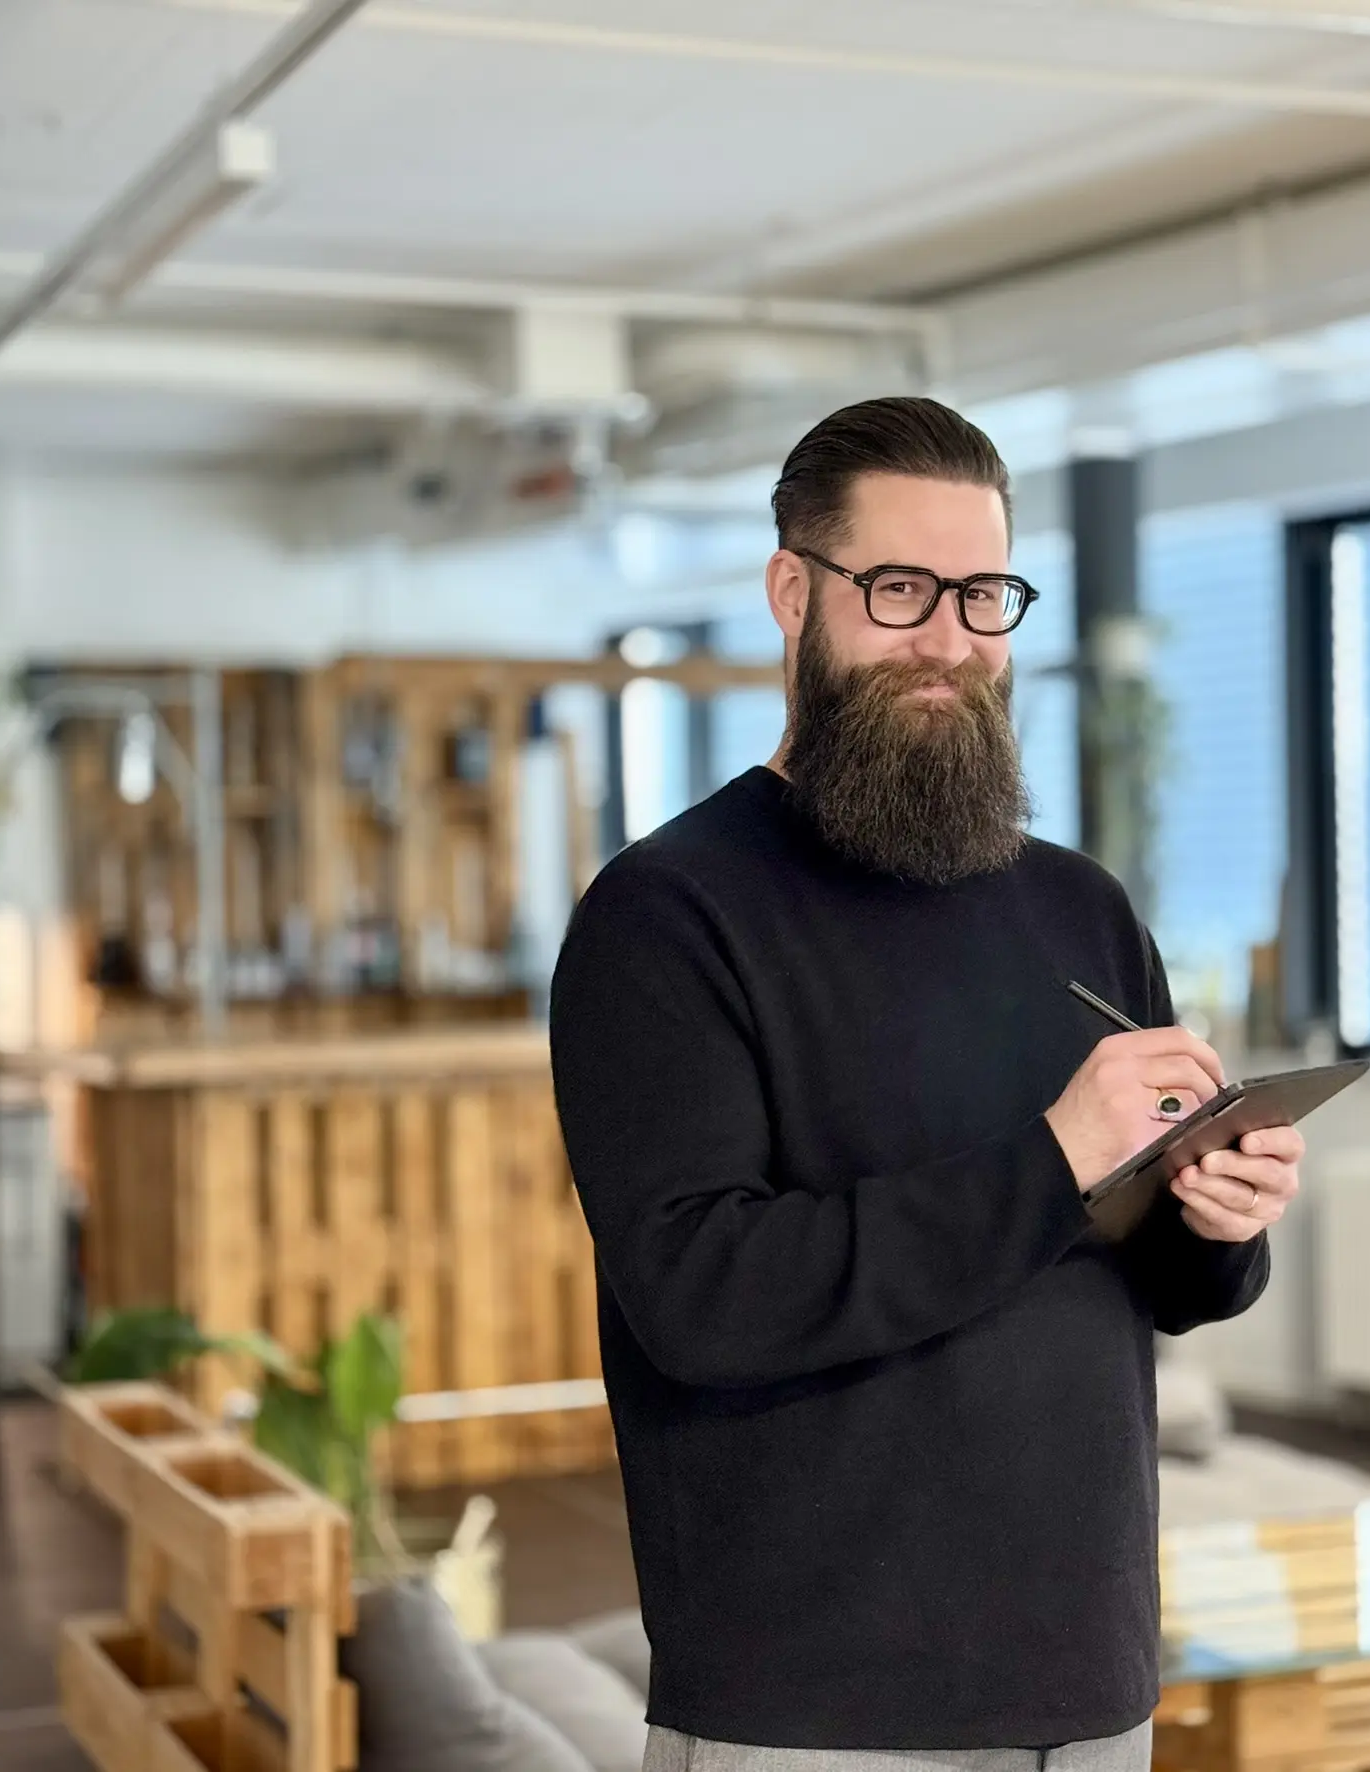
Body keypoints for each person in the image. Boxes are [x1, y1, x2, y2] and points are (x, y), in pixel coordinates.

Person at [549, 396, 1301, 1772]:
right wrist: (1053, 1156)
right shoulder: (665, 917)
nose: (951, 639)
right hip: (814, 1705)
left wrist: (1218, 1217)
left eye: (984, 595)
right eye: (899, 589)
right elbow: (702, 1299)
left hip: (1090, 1680)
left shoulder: (1081, 908)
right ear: (794, 594)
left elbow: (1149, 1269)